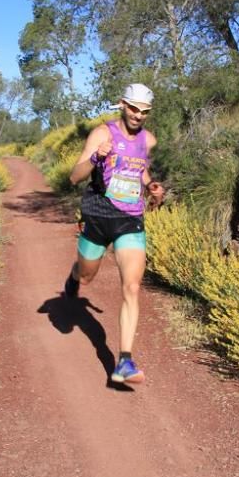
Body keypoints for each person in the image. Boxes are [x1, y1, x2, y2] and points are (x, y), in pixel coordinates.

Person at [62, 83, 165, 384]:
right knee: (86, 275)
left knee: (131, 287)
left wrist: (151, 187)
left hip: (130, 218)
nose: (138, 116)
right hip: (98, 214)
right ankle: (74, 275)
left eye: (144, 112)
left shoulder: (148, 140)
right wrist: (96, 158)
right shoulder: (102, 134)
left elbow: (139, 168)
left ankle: (124, 362)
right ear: (122, 104)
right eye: (133, 109)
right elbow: (74, 177)